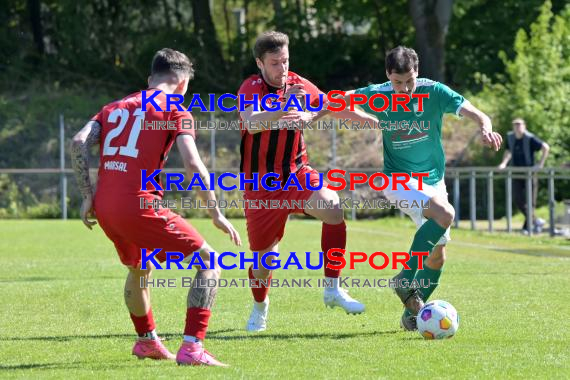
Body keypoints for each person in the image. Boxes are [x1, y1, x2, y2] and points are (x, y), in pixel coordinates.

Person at [70, 48, 241, 367]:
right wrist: (215, 212)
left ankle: (147, 342)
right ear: (182, 83)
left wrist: (86, 195)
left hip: (106, 206)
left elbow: (80, 142)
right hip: (139, 205)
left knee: (138, 267)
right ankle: (192, 348)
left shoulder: (114, 107)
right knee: (209, 261)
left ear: (151, 80)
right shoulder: (176, 108)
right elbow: (193, 164)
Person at [342, 46, 502, 330]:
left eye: (409, 81)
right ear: (388, 77)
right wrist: (316, 115)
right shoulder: (378, 94)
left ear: (417, 72)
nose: (404, 89)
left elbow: (477, 113)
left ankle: (413, 316)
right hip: (398, 180)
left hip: (433, 181)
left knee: (438, 257)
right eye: (397, 83)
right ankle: (405, 279)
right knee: (445, 213)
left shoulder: (435, 91)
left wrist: (485, 128)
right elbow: (336, 101)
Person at [237, 31, 376, 332]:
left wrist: (373, 122)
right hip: (261, 187)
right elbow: (251, 121)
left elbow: (333, 104)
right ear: (260, 63)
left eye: (285, 61)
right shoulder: (251, 87)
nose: (282, 68)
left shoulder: (299, 85)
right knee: (264, 262)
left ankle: (333, 288)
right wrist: (284, 109)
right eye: (275, 63)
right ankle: (260, 307)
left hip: (297, 174)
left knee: (333, 208)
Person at [498, 118, 550, 234]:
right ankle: (536, 221)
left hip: (530, 174)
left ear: (524, 126)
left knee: (531, 201)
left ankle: (527, 228)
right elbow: (508, 151)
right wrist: (504, 163)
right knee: (518, 199)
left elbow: (545, 147)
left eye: (519, 124)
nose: (517, 127)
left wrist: (540, 164)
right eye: (515, 125)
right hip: (517, 173)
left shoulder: (530, 138)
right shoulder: (510, 137)